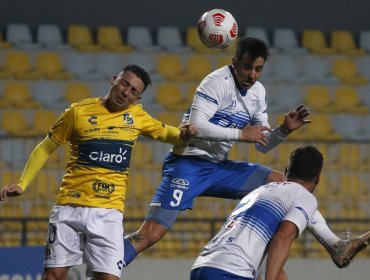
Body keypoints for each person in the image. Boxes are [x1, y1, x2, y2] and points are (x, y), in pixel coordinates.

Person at [122, 37, 370, 270]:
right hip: (187, 164)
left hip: (218, 167)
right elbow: (195, 127)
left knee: (284, 184)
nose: (252, 75)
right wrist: (240, 134)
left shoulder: (258, 93)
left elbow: (262, 144)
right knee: (150, 235)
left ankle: (335, 245)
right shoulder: (216, 82)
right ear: (235, 62)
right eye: (247, 67)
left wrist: (283, 130)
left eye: (258, 69)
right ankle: (107, 263)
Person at [0, 64, 196, 280]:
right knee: (53, 277)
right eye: (125, 83)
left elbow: (168, 134)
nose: (125, 92)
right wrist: (23, 183)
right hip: (69, 208)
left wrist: (185, 134)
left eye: (133, 91)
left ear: (137, 99)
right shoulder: (78, 112)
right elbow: (47, 146)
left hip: (108, 213)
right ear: (114, 80)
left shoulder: (137, 117)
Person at [190, 145, 352, 280]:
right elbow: (283, 237)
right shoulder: (304, 197)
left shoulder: (261, 190)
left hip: (202, 267)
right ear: (317, 179)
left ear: (286, 170)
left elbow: (263, 260)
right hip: (231, 272)